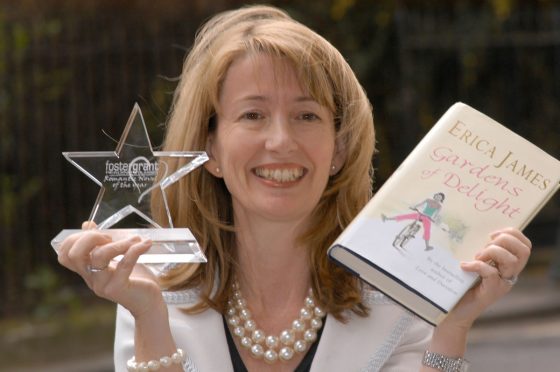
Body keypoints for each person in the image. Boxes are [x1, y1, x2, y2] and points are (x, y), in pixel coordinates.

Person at [57, 5, 532, 372]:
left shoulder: (398, 296)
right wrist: (149, 317)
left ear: (339, 149)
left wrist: (454, 324)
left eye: (307, 116)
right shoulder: (152, 289)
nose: (280, 141)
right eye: (252, 115)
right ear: (211, 149)